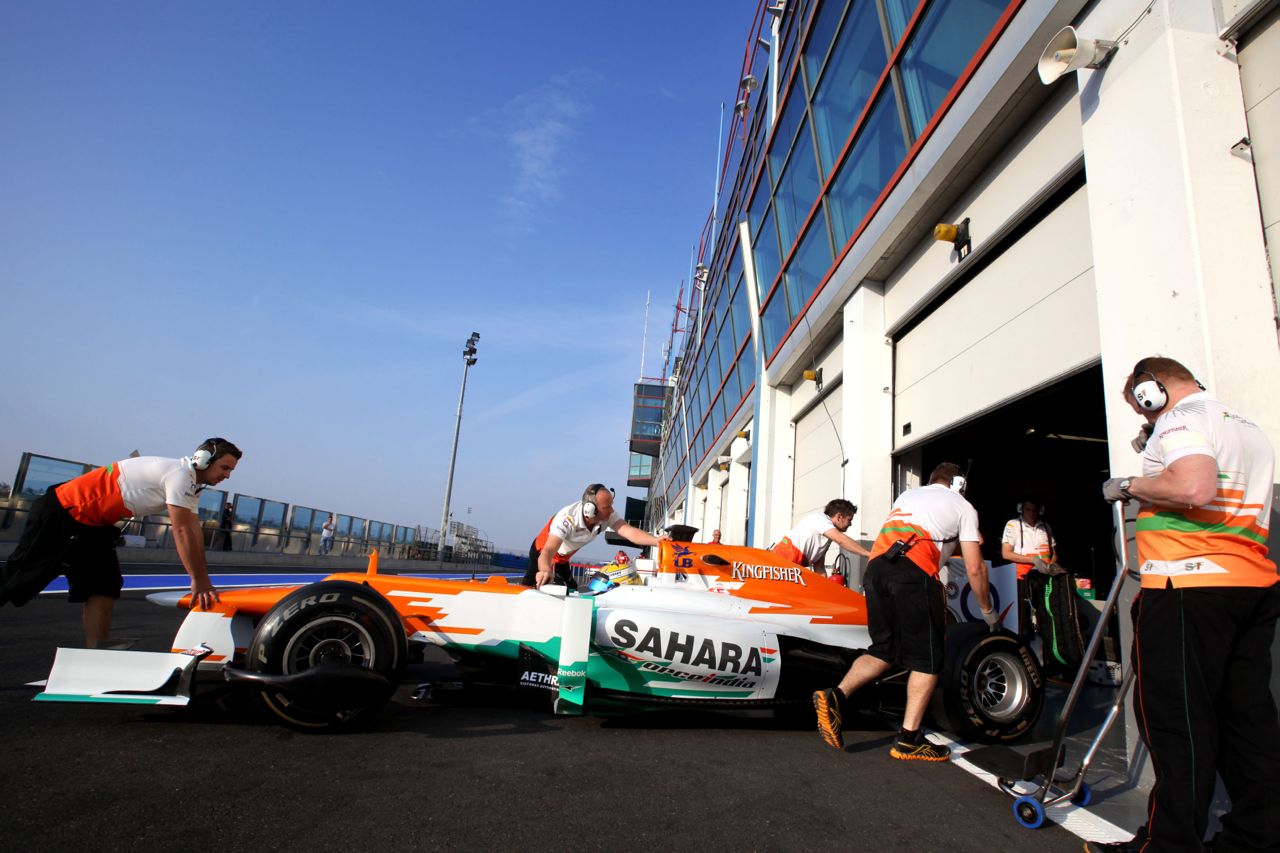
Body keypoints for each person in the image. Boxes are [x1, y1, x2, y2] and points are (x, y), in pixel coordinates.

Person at [1086, 357, 1278, 853]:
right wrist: (1155, 447)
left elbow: (1194, 486)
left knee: (1176, 720)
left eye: (1142, 410)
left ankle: (1169, 845)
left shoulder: (1180, 419)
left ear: (1151, 391)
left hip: (1186, 586)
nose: (1145, 421)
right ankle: (1254, 837)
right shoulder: (1246, 426)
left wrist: (1127, 485)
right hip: (1248, 586)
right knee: (1246, 720)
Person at [811, 463, 999, 761]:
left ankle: (836, 696)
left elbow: (930, 540)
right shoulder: (963, 506)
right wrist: (989, 612)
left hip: (876, 570)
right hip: (912, 574)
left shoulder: (907, 497)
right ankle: (909, 740)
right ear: (959, 483)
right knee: (929, 660)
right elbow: (975, 568)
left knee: (884, 650)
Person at [0, 438, 241, 647]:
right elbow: (181, 530)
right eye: (224, 467)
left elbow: (192, 529)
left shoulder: (191, 485)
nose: (227, 475)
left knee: (105, 584)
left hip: (93, 525)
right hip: (62, 511)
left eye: (231, 470)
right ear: (204, 459)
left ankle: (96, 649)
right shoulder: (178, 476)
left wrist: (201, 577)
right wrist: (199, 580)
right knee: (18, 578)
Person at [523, 484, 668, 590]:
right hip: (541, 554)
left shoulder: (607, 515)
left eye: (611, 505)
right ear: (590, 511)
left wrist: (656, 541)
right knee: (529, 588)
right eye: (606, 507)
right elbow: (547, 551)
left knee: (571, 589)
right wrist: (545, 570)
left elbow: (630, 532)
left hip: (562, 558)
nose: (611, 511)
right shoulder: (567, 519)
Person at [772, 499, 871, 572]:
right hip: (781, 560)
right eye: (849, 520)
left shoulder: (825, 535)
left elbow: (819, 568)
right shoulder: (820, 520)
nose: (850, 524)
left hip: (790, 565)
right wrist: (868, 554)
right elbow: (841, 540)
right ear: (839, 516)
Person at [999, 498, 1059, 579]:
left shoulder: (1046, 526)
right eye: (1028, 510)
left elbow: (1054, 553)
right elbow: (1006, 554)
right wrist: (1033, 560)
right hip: (1022, 577)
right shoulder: (1013, 524)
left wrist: (1051, 565)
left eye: (1035, 510)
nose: (1031, 513)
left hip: (1045, 576)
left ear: (1040, 511)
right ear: (1021, 509)